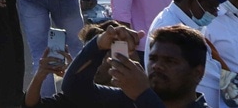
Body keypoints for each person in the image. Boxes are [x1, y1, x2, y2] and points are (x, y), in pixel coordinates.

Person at [60, 24, 211, 108]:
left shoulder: (141, 97)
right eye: (153, 58)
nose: (157, 66)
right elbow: (74, 88)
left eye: (170, 61)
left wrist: (143, 95)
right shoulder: (131, 99)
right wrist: (100, 43)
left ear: (198, 73)